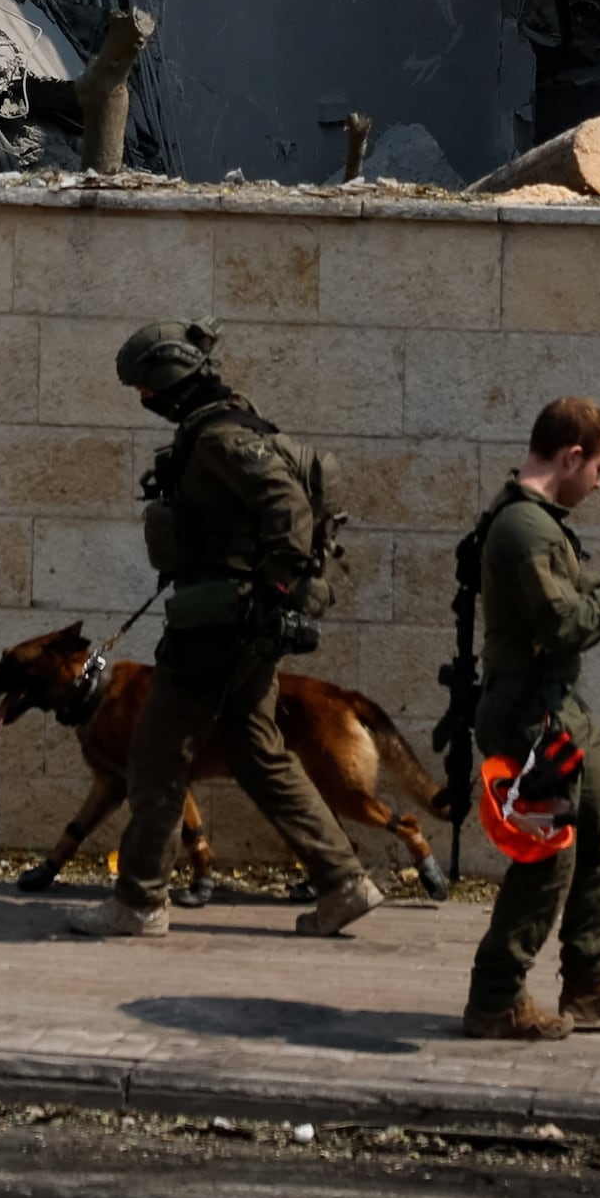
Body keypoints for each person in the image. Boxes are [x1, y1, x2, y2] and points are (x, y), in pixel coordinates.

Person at [84, 320, 379, 941]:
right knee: (256, 750)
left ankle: (138, 901)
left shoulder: (220, 438)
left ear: (169, 377)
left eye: (145, 387)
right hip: (237, 623)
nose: (144, 400)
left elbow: (287, 510)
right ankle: (343, 883)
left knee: (157, 755)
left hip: (222, 627)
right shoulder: (226, 423)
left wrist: (271, 592)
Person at [463, 395, 600, 1041]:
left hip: (559, 707)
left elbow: (573, 601)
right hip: (529, 713)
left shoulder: (543, 523)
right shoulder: (524, 527)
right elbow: (562, 625)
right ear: (572, 455)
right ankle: (495, 996)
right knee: (546, 854)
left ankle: (589, 981)